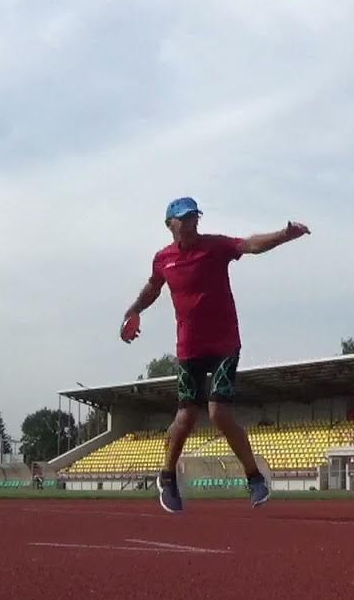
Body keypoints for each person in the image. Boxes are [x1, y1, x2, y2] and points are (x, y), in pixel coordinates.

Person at [120, 196, 310, 513]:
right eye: (185, 217)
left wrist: (282, 235)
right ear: (170, 224)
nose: (193, 222)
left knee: (219, 413)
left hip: (224, 343)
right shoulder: (163, 259)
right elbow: (154, 287)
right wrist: (133, 311)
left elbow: (249, 245)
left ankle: (254, 479)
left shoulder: (215, 247)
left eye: (195, 216)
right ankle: (167, 478)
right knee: (186, 415)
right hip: (190, 348)